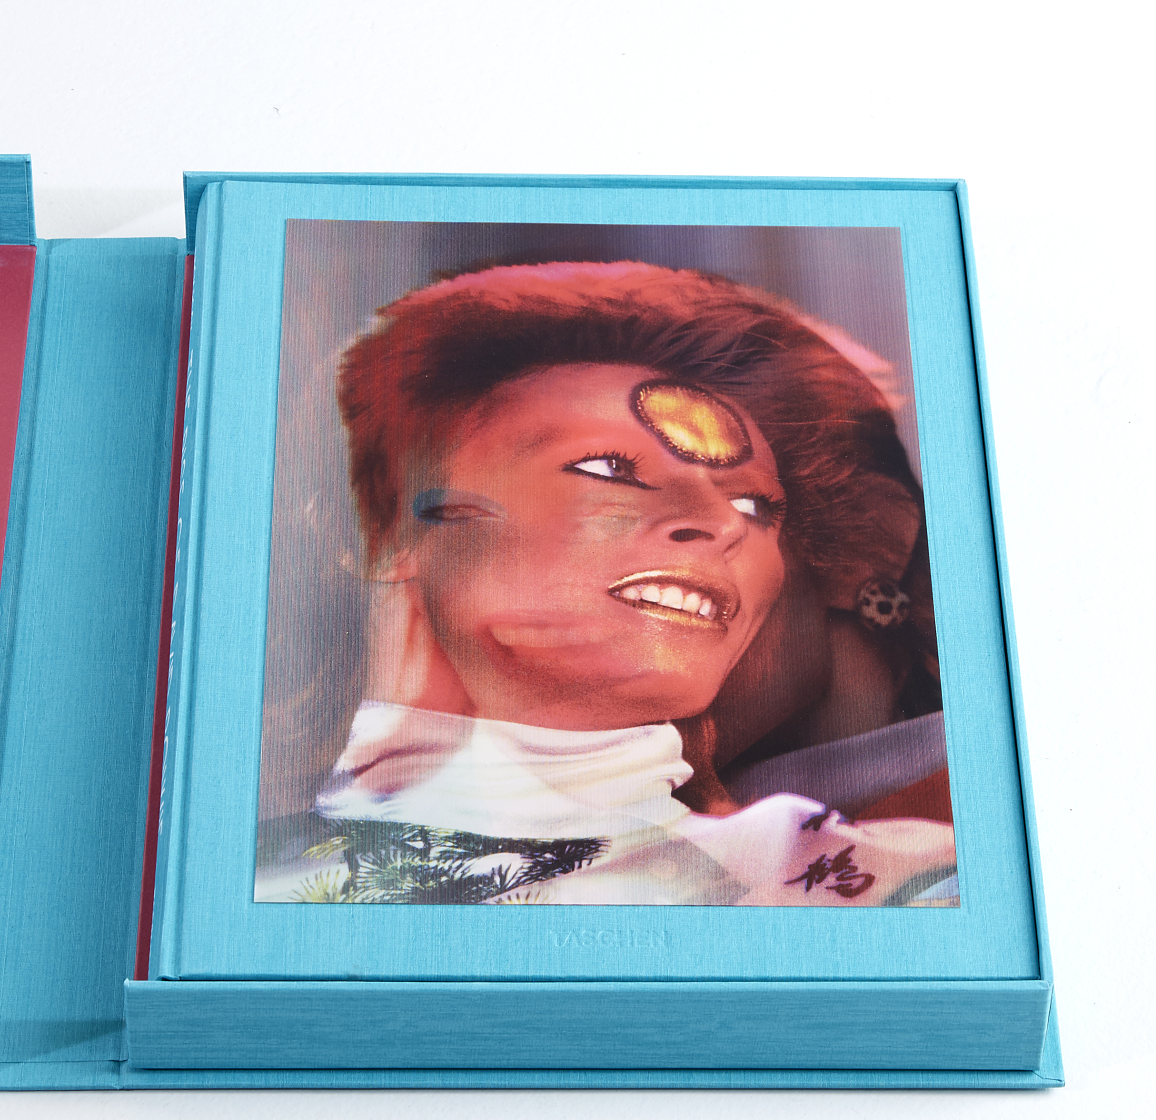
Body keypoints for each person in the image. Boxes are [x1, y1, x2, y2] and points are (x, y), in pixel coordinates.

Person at [254, 261, 957, 906]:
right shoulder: (242, 883)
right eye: (608, 469)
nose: (722, 524)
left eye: (754, 505)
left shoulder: (868, 882)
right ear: (390, 523)